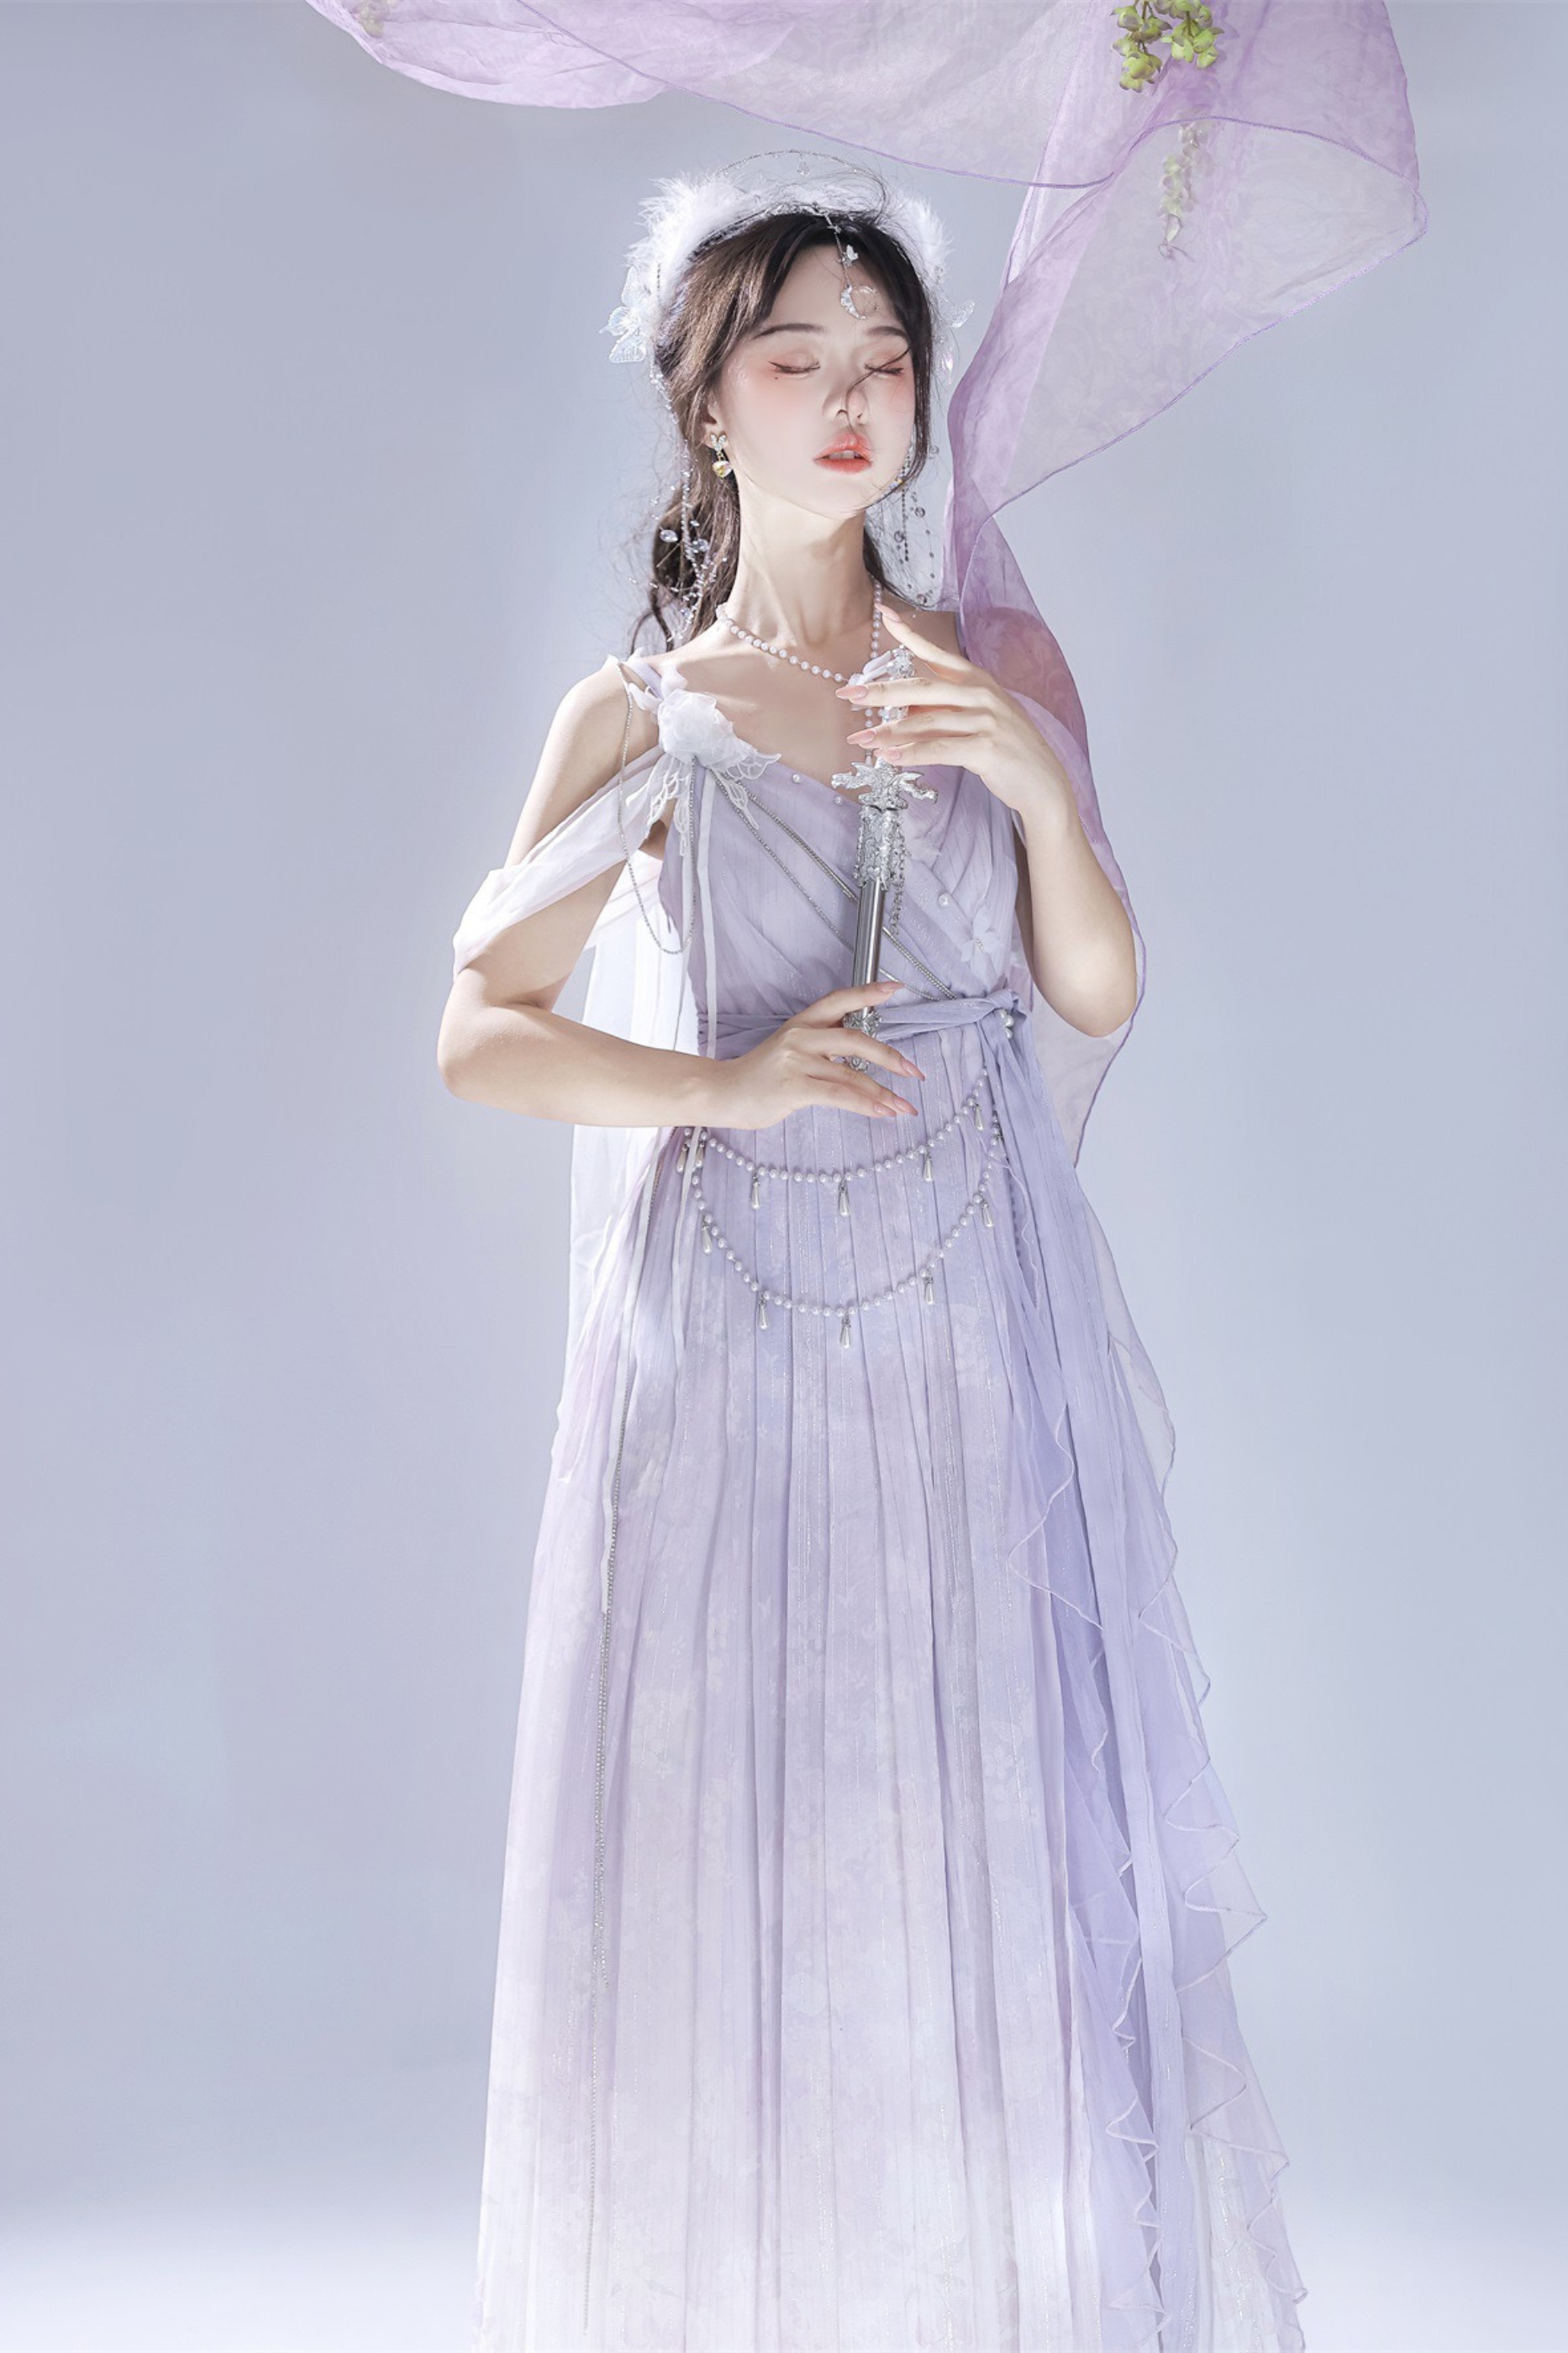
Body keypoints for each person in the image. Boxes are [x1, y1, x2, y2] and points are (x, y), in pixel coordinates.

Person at [438, 159, 1303, 2352]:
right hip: (724, 1312)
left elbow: (1095, 988)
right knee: (734, 1794)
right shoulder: (644, 711)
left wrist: (1033, 777)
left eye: (884, 362)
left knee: (983, 1789)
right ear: (705, 403)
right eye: (793, 360)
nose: (846, 400)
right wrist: (723, 1088)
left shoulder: (986, 666)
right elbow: (479, 1032)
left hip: (973, 1308)